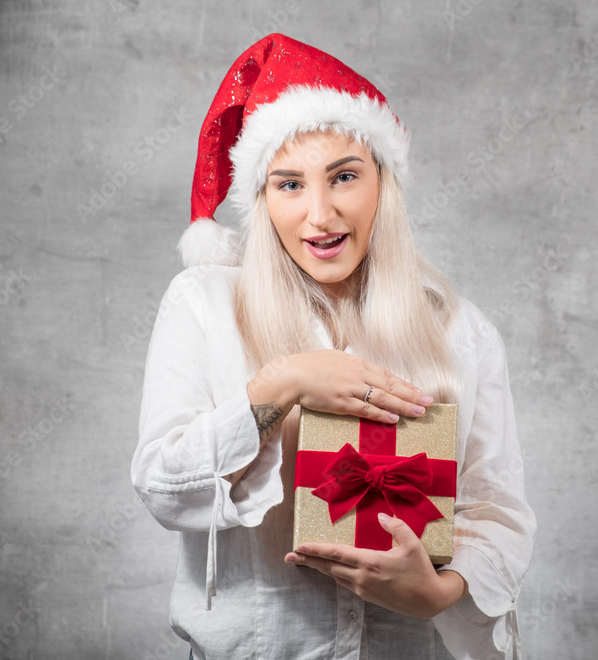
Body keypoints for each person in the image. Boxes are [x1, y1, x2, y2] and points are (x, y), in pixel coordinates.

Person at [131, 33, 536, 660]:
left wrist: (440, 590)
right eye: (289, 184)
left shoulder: (462, 331)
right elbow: (163, 485)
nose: (319, 214)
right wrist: (282, 386)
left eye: (344, 176)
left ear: (383, 183)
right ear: (262, 200)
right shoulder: (204, 305)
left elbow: (495, 509)